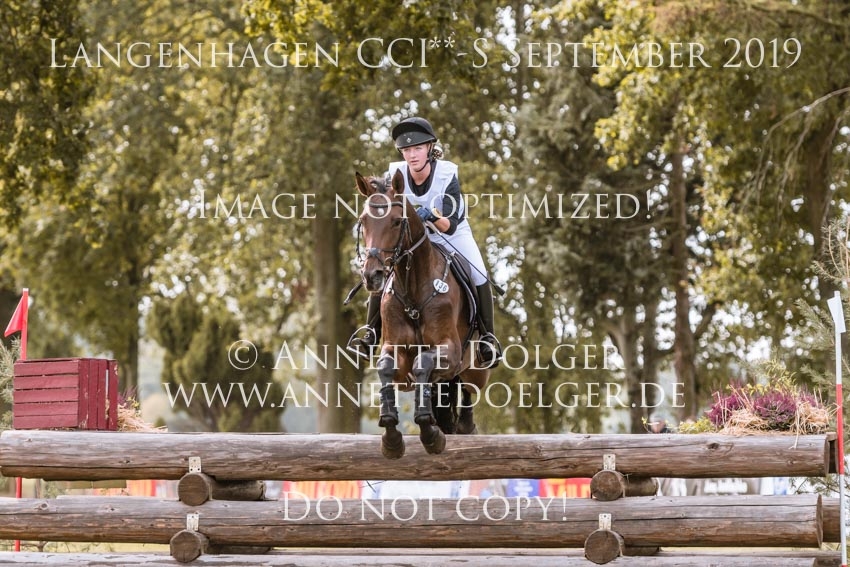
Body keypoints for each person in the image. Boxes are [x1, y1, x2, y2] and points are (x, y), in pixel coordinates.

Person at [348, 116, 502, 368]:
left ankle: (487, 339)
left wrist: (430, 215)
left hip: (450, 234)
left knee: (479, 273)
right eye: (406, 150)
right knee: (385, 271)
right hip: (411, 236)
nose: (412, 155)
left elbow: (451, 224)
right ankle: (371, 335)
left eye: (417, 148)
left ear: (430, 148)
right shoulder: (394, 174)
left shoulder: (447, 174)